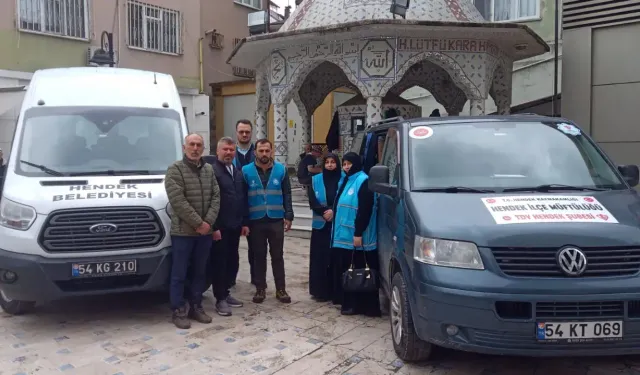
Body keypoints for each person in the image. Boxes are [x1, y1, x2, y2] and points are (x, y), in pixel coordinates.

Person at [165, 133, 220, 329]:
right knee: (179, 273)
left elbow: (216, 196)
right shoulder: (174, 170)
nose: (195, 148)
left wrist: (208, 222)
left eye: (199, 145)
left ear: (203, 149)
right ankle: (178, 309)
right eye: (192, 144)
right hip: (183, 233)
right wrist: (198, 223)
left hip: (204, 233)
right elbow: (178, 201)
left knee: (200, 272)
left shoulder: (208, 170)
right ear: (184, 147)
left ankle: (196, 306)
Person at [242, 139, 294, 304]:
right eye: (261, 151)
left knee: (277, 255)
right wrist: (244, 221)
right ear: (255, 152)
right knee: (258, 256)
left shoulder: (281, 170)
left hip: (276, 219)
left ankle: (281, 289)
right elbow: (242, 197)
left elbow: (287, 193)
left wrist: (289, 215)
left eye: (267, 151)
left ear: (271, 151)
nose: (264, 154)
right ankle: (260, 288)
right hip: (256, 221)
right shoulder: (246, 171)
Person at [203, 137, 250, 317]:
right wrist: (213, 227)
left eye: (231, 150)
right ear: (218, 151)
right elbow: (209, 201)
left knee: (232, 261)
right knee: (219, 263)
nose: (229, 153)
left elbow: (242, 198)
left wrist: (244, 222)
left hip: (235, 226)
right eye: (225, 150)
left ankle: (227, 292)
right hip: (220, 228)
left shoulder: (236, 172)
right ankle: (220, 298)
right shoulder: (212, 172)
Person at [331, 152, 381, 317]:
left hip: (359, 237)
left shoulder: (364, 181)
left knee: (360, 272)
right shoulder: (347, 180)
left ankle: (364, 307)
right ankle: (351, 305)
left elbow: (365, 210)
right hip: (345, 236)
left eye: (349, 164)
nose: (346, 167)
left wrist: (358, 233)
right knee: (349, 271)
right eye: (344, 164)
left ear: (357, 164)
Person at [307, 153, 342, 302]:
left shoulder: (343, 180)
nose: (329, 165)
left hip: (337, 225)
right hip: (320, 225)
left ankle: (335, 291)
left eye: (333, 162)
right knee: (319, 258)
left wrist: (334, 212)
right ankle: (319, 291)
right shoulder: (315, 180)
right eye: (327, 162)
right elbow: (312, 200)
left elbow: (343, 199)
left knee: (335, 258)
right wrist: (324, 212)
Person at [233, 119, 257, 287]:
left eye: (247, 132)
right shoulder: (228, 152)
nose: (244, 134)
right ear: (237, 133)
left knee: (255, 248)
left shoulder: (258, 153)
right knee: (231, 249)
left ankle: (256, 278)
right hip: (234, 209)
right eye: (241, 131)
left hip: (255, 208)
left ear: (251, 133)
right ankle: (230, 280)